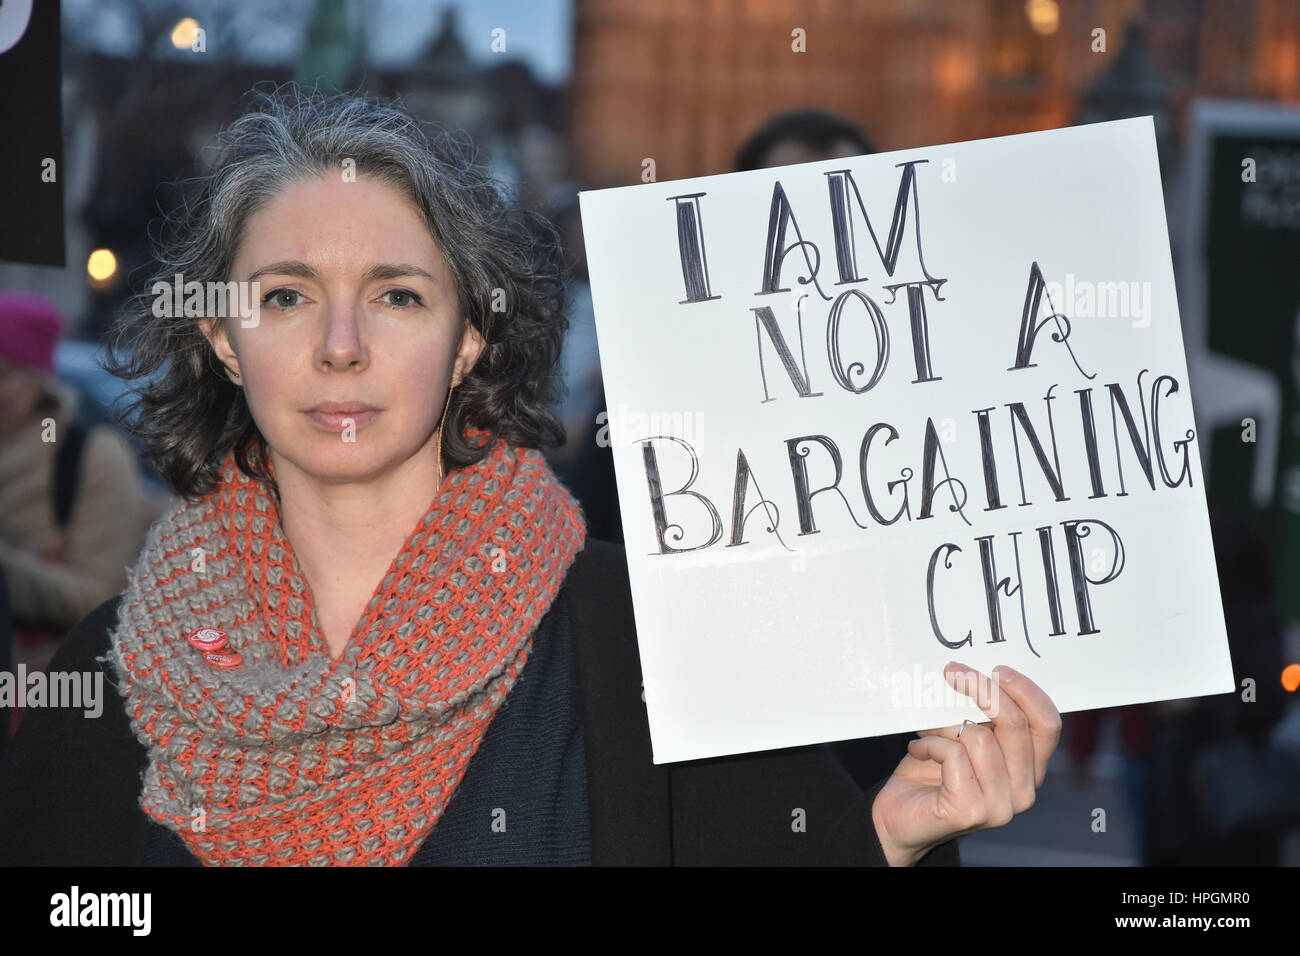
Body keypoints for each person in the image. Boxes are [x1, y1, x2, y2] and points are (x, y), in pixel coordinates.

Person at [0, 87, 1061, 867]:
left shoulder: (638, 639)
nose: (338, 344)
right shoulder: (110, 678)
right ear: (226, 339)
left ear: (468, 341)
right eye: (284, 295)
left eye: (398, 296)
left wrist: (895, 831)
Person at [0, 292, 156, 660]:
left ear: (38, 375)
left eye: (5, 373)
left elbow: (94, 598)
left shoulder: (91, 456)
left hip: (44, 691)